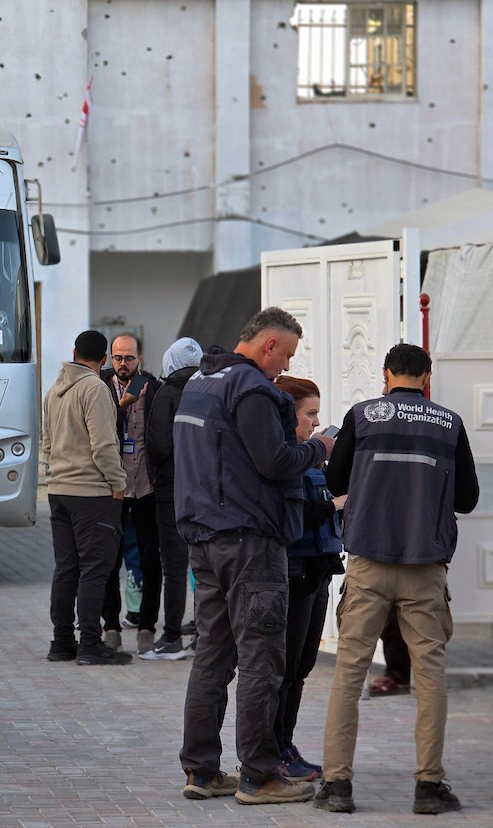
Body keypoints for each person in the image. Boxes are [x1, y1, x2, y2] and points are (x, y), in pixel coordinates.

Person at [175, 307, 332, 806]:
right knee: (262, 658)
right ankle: (260, 777)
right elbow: (276, 460)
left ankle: (201, 771)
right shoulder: (252, 389)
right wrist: (320, 449)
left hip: (203, 536)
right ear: (268, 345)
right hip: (249, 541)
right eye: (285, 355)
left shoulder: (201, 383)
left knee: (212, 656)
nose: (284, 367)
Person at [314, 343, 479, 816]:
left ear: (387, 374)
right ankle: (429, 787)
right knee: (429, 676)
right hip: (425, 568)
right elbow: (467, 498)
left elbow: (335, 478)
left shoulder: (362, 416)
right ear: (427, 378)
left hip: (367, 564)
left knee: (349, 672)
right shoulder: (449, 424)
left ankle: (337, 786)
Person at [271, 375, 347, 781]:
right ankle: (273, 750)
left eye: (318, 414)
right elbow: (293, 517)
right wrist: (337, 501)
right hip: (293, 570)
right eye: (310, 414)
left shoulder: (310, 457)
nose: (316, 423)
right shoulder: (281, 458)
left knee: (301, 667)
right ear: (288, 413)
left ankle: (286, 744)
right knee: (284, 668)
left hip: (318, 569)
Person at [42, 330, 130, 666]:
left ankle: (62, 642)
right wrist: (118, 484)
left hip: (58, 490)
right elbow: (104, 445)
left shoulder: (55, 390)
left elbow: (48, 444)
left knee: (66, 569)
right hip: (91, 494)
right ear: (104, 359)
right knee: (95, 569)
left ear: (74, 351)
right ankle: (91, 644)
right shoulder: (95, 388)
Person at [99, 333, 164, 655]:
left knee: (152, 561)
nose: (123, 364)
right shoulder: (100, 388)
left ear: (140, 359)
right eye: (117, 358)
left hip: (146, 487)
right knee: (109, 560)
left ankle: (148, 625)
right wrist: (121, 409)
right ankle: (110, 625)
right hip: (113, 488)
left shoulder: (154, 388)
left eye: (129, 358)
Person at [140, 336, 203, 661]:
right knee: (205, 563)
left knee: (175, 565)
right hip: (203, 488)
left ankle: (172, 636)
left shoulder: (166, 394)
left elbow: (159, 445)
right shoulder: (206, 391)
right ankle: (204, 632)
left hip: (171, 488)